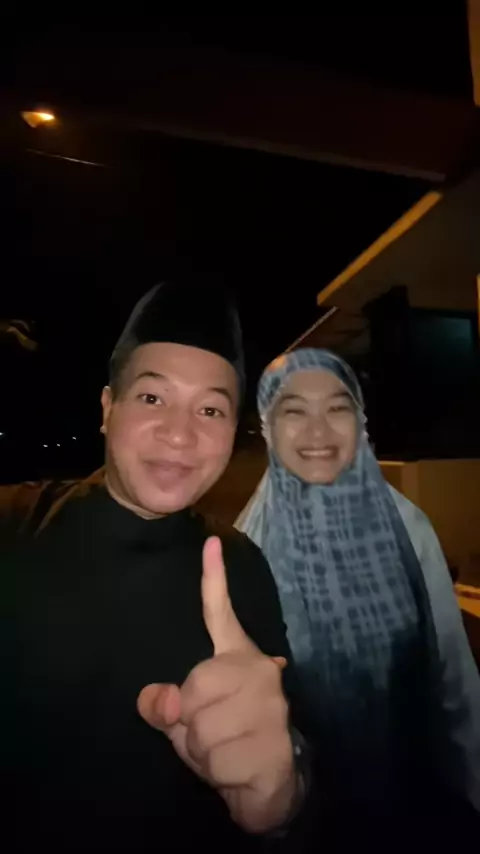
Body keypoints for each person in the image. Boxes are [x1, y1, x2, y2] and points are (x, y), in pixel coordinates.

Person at [5, 281, 307, 853]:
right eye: (152, 398)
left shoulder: (241, 564)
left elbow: (290, 743)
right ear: (107, 408)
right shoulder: (14, 525)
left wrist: (281, 794)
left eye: (210, 409)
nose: (180, 433)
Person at [236, 347, 480, 839]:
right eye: (294, 411)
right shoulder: (248, 548)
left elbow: (453, 673)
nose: (319, 432)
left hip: (420, 798)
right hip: (311, 819)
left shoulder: (407, 528)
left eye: (337, 407)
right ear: (268, 426)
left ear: (361, 420)